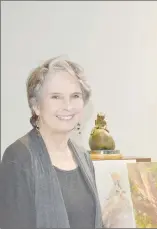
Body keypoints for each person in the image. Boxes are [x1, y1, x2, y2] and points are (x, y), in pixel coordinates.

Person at [0, 56, 103, 228]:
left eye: (75, 96)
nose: (68, 106)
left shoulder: (84, 158)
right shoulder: (18, 157)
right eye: (56, 97)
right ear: (36, 106)